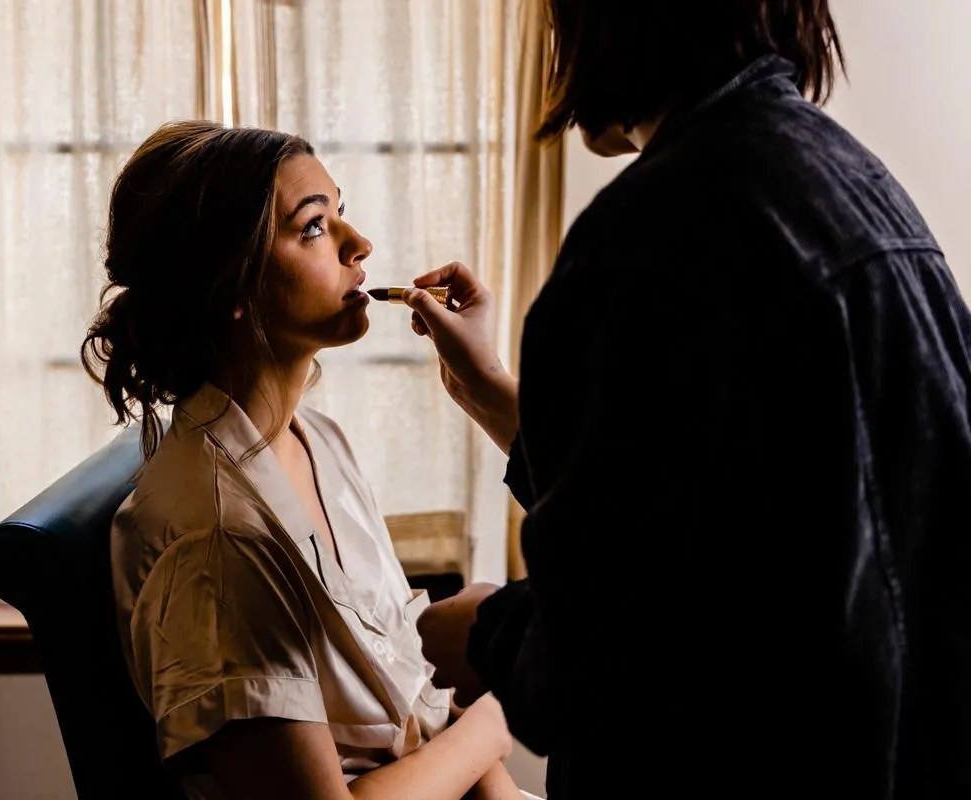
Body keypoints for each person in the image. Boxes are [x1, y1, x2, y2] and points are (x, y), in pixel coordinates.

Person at [402, 1, 971, 798]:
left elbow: (632, 639)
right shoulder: (854, 184)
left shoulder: (656, 232)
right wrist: (492, 389)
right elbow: (730, 502)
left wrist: (488, 634)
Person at [80, 120, 524, 800]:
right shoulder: (217, 545)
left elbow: (416, 697)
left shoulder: (320, 441)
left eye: (339, 211)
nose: (359, 243)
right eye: (314, 226)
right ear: (230, 284)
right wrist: (498, 716)